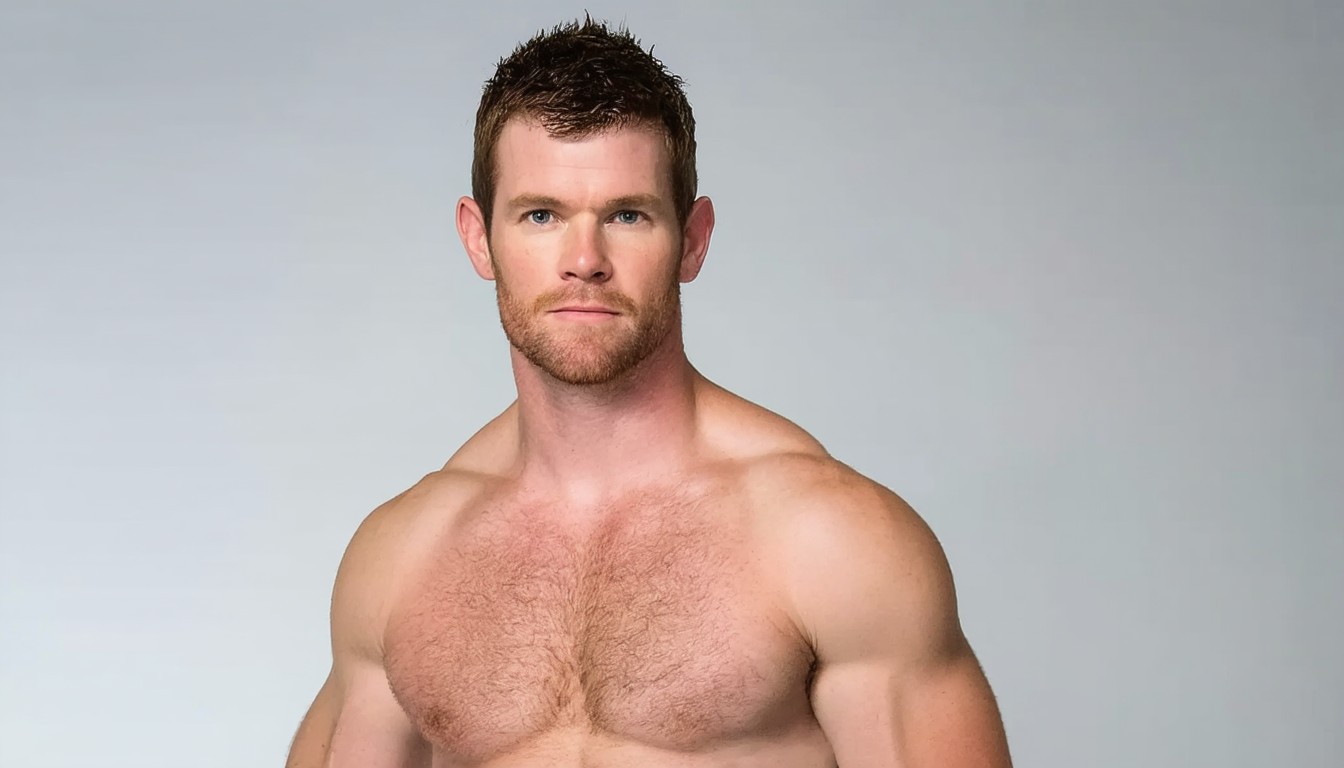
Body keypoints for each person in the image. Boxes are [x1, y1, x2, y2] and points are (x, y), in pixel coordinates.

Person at [285, 16, 1012, 768]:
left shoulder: (832, 539)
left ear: (692, 240)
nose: (584, 260)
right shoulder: (403, 558)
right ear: (479, 238)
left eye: (627, 215)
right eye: (541, 215)